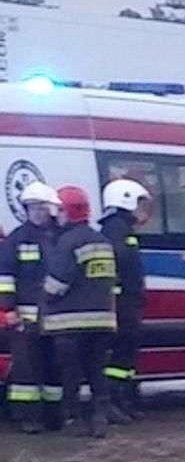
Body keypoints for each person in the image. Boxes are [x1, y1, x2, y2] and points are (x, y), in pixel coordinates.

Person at [40, 186, 118, 438]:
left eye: (59, 210)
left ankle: (72, 420)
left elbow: (57, 284)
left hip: (69, 323)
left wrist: (44, 297)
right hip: (103, 320)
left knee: (70, 374)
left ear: (68, 212)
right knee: (97, 370)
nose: (56, 216)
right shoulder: (102, 241)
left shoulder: (68, 242)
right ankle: (99, 418)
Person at [0, 182, 63, 433]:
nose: (37, 212)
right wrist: (9, 309)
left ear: (51, 209)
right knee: (26, 369)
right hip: (25, 318)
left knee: (54, 367)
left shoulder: (61, 237)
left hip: (55, 317)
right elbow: (4, 277)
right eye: (32, 207)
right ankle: (27, 418)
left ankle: (53, 416)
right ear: (26, 209)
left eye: (41, 207)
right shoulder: (17, 239)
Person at [100, 178, 151, 425]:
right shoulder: (118, 232)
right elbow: (125, 268)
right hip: (123, 306)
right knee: (120, 357)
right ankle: (112, 402)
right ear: (126, 199)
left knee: (127, 357)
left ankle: (124, 400)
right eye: (139, 203)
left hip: (125, 304)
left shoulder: (118, 229)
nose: (141, 211)